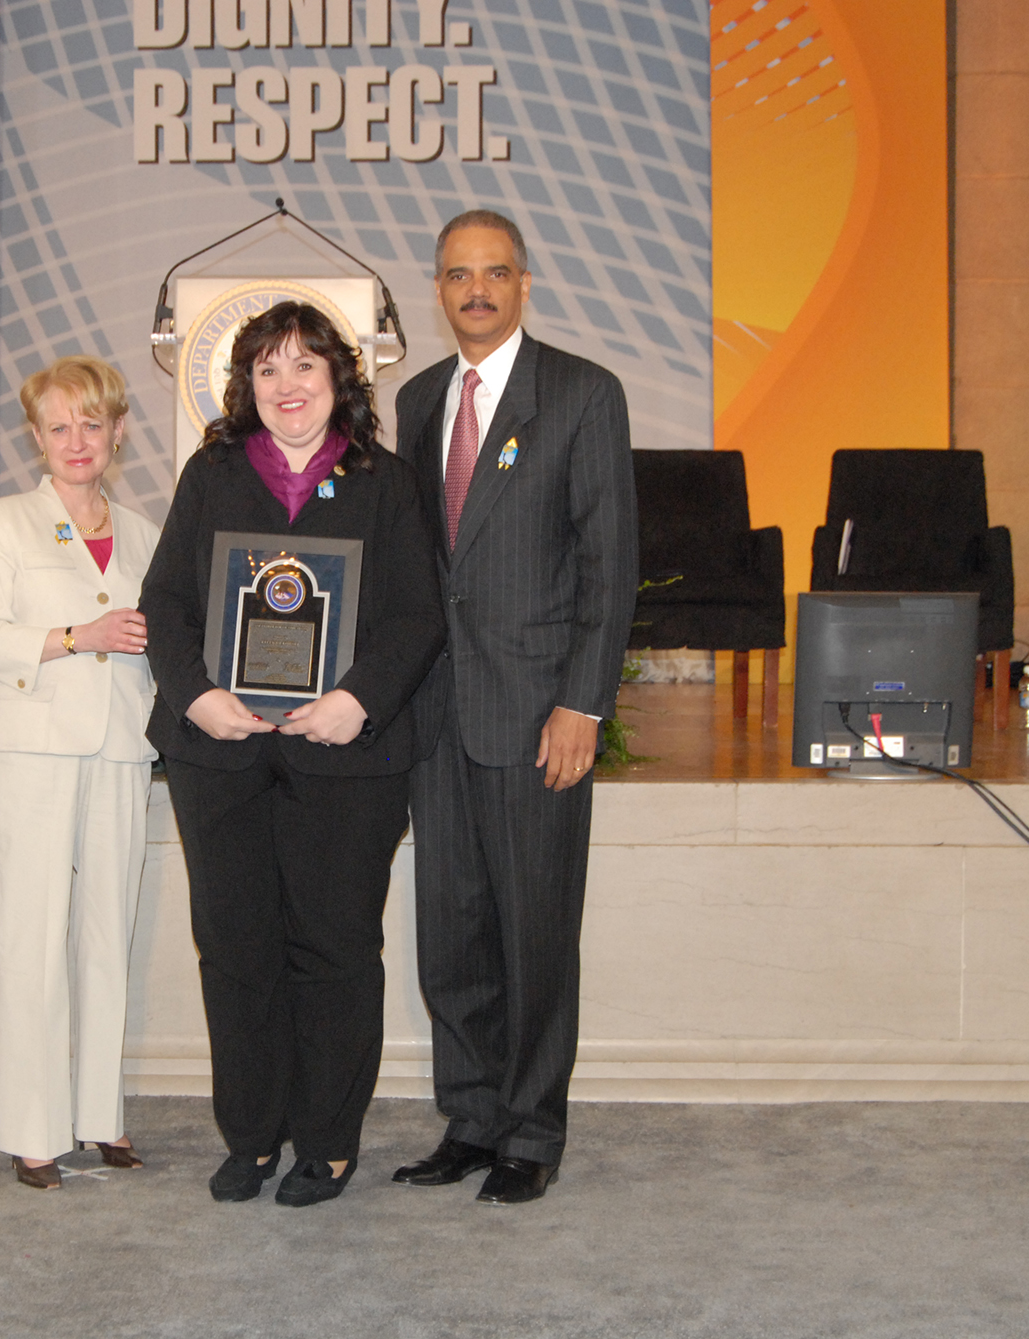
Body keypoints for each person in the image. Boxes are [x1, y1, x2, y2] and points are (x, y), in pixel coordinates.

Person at [141, 301, 445, 1207]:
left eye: (305, 367)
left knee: (335, 947)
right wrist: (197, 694)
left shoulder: (384, 482)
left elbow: (416, 615)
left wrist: (356, 700)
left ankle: (326, 1137)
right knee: (234, 948)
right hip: (222, 755)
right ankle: (252, 1134)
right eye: (267, 370)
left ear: (338, 379)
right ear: (246, 386)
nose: (287, 387)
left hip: (346, 760)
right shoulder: (212, 473)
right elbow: (166, 604)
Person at [392, 210, 639, 1205]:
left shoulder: (579, 395)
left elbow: (607, 567)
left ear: (524, 284)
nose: (477, 289)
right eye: (458, 274)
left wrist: (582, 702)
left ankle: (532, 1129)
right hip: (433, 719)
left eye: (496, 272)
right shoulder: (412, 401)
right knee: (448, 933)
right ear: (438, 289)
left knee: (533, 932)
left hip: (539, 718)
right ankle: (471, 1116)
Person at [0, 357, 160, 1190]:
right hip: (37, 744)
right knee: (35, 935)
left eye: (92, 423)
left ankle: (100, 1116)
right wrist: (78, 636)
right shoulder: (2, 522)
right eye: (58, 426)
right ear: (35, 437)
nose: (77, 440)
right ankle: (35, 1130)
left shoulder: (148, 532)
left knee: (109, 931)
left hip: (122, 744)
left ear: (117, 430)